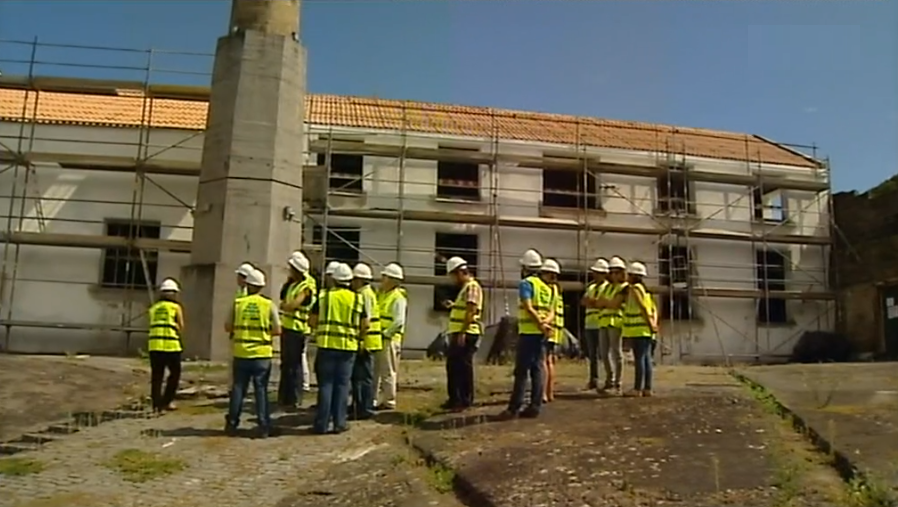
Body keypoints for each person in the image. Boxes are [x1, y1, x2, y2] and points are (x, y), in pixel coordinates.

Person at [310, 263, 368, 434]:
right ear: (350, 281)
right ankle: (339, 423)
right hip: (348, 348)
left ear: (334, 280)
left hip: (326, 346)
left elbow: (312, 321)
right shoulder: (358, 299)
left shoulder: (324, 297)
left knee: (326, 385)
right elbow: (365, 325)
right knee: (342, 386)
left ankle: (321, 424)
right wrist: (359, 339)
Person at [224, 268, 281, 437]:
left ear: (247, 285)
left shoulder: (238, 304)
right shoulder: (268, 305)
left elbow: (227, 326)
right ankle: (263, 426)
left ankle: (232, 424)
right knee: (261, 391)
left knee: (238, 389)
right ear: (262, 287)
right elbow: (278, 330)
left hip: (241, 352)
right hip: (262, 354)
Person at [500, 250, 554, 419]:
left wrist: (538, 323)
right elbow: (552, 310)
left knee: (521, 371)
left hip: (529, 332)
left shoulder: (526, 284)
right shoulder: (547, 287)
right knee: (537, 369)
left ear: (525, 268)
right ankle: (535, 406)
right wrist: (545, 324)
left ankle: (513, 408)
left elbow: (528, 307)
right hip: (541, 333)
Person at [441, 256, 483, 412]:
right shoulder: (465, 288)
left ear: (460, 272)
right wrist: (453, 306)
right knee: (454, 366)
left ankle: (464, 399)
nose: (453, 279)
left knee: (462, 368)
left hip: (466, 333)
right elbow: (464, 308)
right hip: (460, 332)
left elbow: (471, 311)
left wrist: (462, 332)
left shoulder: (472, 287)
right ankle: (455, 398)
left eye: (453, 275)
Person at [278, 251, 315, 412]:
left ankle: (294, 398)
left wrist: (288, 306)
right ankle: (285, 397)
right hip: (288, 327)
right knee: (286, 365)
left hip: (299, 329)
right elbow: (283, 300)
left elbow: (293, 304)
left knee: (294, 365)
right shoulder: (292, 284)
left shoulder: (307, 285)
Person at [350, 262, 382, 420]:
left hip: (366, 342)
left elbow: (366, 321)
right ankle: (360, 406)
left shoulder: (364, 294)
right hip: (369, 340)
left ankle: (364, 408)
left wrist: (361, 340)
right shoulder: (368, 292)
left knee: (363, 377)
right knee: (361, 377)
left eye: (354, 279)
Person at [621, 261, 658, 397]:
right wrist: (653, 324)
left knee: (640, 359)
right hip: (645, 329)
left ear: (633, 275)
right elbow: (652, 308)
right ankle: (647, 388)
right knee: (647, 359)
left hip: (639, 329)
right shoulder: (645, 290)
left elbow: (643, 307)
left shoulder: (635, 289)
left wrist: (650, 323)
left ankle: (637, 388)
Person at [147, 278, 184, 413]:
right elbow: (181, 327)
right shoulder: (176, 307)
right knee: (175, 374)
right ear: (174, 294)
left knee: (157, 376)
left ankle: (156, 406)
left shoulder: (153, 308)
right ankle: (167, 401)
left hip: (155, 346)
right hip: (171, 346)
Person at [375, 262, 407, 410]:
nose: (382, 279)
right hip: (379, 338)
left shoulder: (398, 297)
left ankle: (389, 401)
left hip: (389, 339)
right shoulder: (382, 294)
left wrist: (386, 334)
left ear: (392, 280)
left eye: (385, 277)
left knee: (388, 371)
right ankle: (375, 399)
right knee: (376, 370)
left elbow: (399, 321)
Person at [597, 256, 628, 395]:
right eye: (612, 272)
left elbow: (614, 304)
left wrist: (606, 302)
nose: (614, 275)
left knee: (616, 353)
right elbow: (598, 303)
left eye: (617, 272)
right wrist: (606, 302)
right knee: (604, 353)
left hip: (616, 322)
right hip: (604, 322)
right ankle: (609, 380)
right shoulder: (608, 287)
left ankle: (618, 383)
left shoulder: (624, 287)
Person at [581, 258, 609, 390]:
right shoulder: (591, 287)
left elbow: (602, 303)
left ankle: (608, 379)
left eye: (597, 272)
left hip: (601, 323)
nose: (595, 275)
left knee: (604, 353)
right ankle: (593, 379)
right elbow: (583, 301)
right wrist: (594, 302)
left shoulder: (607, 287)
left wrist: (594, 302)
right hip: (589, 324)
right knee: (592, 354)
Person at [541, 259, 562, 403]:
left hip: (546, 328)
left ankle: (543, 393)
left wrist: (543, 323)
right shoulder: (556, 289)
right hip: (554, 329)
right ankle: (550, 393)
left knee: (543, 361)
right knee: (549, 361)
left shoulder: (546, 289)